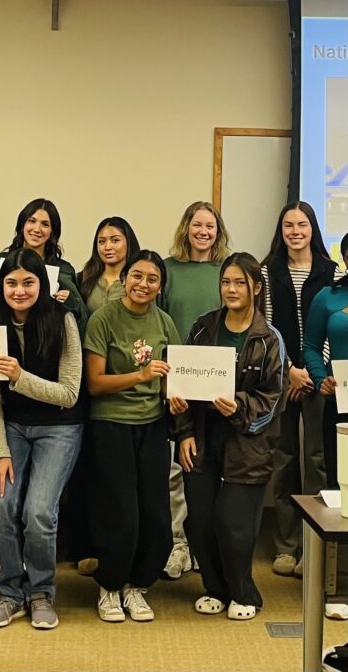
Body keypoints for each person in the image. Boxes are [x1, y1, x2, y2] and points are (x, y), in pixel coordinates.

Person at [171, 252, 285, 622]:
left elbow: (272, 400)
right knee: (200, 519)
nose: (231, 289)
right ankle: (215, 588)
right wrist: (185, 433)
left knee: (234, 524)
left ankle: (242, 591)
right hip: (202, 437)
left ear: (255, 287)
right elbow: (184, 382)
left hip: (248, 441)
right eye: (225, 282)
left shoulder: (269, 339)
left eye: (239, 282)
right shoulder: (203, 328)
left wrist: (237, 407)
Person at [0, 248, 83, 631]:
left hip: (60, 427)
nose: (19, 290)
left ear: (42, 285)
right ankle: (11, 593)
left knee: (39, 513)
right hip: (12, 428)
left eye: (28, 282)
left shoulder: (63, 320)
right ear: (1, 286)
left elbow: (69, 393)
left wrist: (20, 377)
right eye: (11, 282)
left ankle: (41, 592)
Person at [83, 249, 179, 623]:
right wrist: (141, 376)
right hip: (111, 424)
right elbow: (94, 384)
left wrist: (176, 394)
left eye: (152, 279)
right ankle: (109, 587)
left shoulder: (166, 323)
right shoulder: (103, 319)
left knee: (156, 516)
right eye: (137, 276)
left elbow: (174, 376)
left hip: (152, 425)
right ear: (124, 278)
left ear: (159, 287)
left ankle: (136, 587)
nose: (143, 284)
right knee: (122, 515)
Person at [263, 201, 336, 577]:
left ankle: (315, 546)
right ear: (281, 230)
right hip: (283, 379)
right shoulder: (268, 270)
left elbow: (331, 326)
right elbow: (269, 327)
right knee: (284, 460)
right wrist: (289, 370)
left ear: (312, 230)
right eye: (288, 225)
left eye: (302, 224)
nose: (295, 231)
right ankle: (287, 547)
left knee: (318, 462)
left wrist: (312, 370)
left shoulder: (331, 271)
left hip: (321, 381)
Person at [160, 201, 232, 580]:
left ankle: (204, 544)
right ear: (186, 227)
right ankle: (178, 545)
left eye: (211, 226)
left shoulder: (226, 271)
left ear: (218, 231)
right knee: (176, 468)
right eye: (197, 224)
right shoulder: (168, 270)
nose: (204, 231)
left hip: (219, 378)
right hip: (179, 376)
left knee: (212, 467)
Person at [0, 198, 88, 331]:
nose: (37, 229)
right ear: (22, 225)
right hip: (3, 339)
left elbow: (83, 318)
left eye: (45, 224)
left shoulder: (63, 270)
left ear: (52, 232)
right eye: (32, 221)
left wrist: (71, 301)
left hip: (46, 340)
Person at [304, 230, 348, 489]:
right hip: (340, 403)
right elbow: (310, 346)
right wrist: (320, 379)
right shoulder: (327, 296)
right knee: (340, 481)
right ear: (344, 258)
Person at [77, 216, 142, 313]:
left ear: (129, 242)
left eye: (115, 240)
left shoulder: (138, 281)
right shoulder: (83, 278)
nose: (107, 247)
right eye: (101, 242)